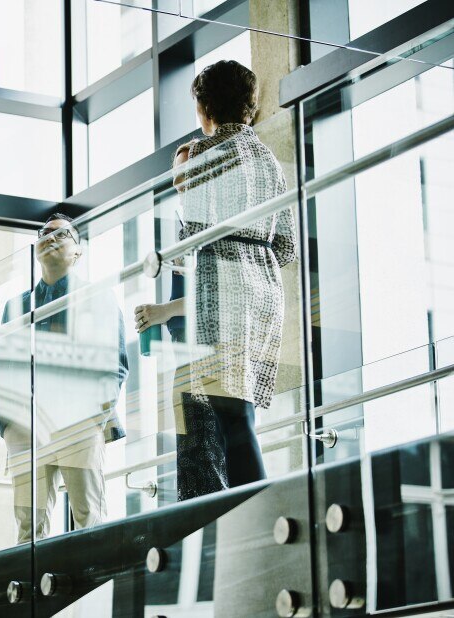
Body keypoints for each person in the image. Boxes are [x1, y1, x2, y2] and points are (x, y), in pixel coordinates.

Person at [133, 60, 297, 500]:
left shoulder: (205, 156)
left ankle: (259, 515)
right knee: (238, 415)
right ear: (249, 106)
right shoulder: (268, 162)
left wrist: (187, 203)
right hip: (264, 296)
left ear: (204, 107)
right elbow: (286, 248)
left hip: (221, 292)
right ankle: (255, 516)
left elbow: (194, 238)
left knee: (231, 421)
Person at [0, 214, 128, 542]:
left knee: (89, 517)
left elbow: (115, 362)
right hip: (25, 425)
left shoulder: (96, 295)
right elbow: (2, 368)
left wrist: (97, 416)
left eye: (61, 235)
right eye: (44, 234)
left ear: (78, 251)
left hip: (78, 420)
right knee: (28, 528)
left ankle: (93, 592)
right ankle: (33, 594)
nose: (50, 239)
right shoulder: (18, 306)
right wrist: (7, 425)